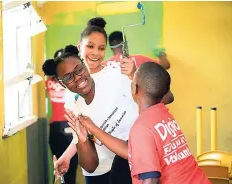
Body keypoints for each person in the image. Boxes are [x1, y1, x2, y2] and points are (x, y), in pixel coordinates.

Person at [53, 17, 173, 184]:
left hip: (132, 159)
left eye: (101, 48)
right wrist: (66, 157)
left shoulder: (119, 72)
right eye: (90, 46)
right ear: (80, 47)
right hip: (99, 168)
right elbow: (80, 135)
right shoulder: (71, 94)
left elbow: (164, 97)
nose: (95, 53)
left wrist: (133, 75)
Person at [127, 62, 211, 184]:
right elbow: (134, 151)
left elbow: (150, 180)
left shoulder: (141, 128)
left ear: (135, 87)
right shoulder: (164, 115)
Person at [42, 56, 79, 184]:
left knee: (57, 162)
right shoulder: (69, 82)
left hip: (54, 127)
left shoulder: (48, 83)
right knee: (71, 164)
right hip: (69, 124)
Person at [102, 30, 171, 69]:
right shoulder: (140, 60)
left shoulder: (103, 65)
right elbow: (165, 65)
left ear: (111, 47)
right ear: (125, 44)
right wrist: (161, 54)